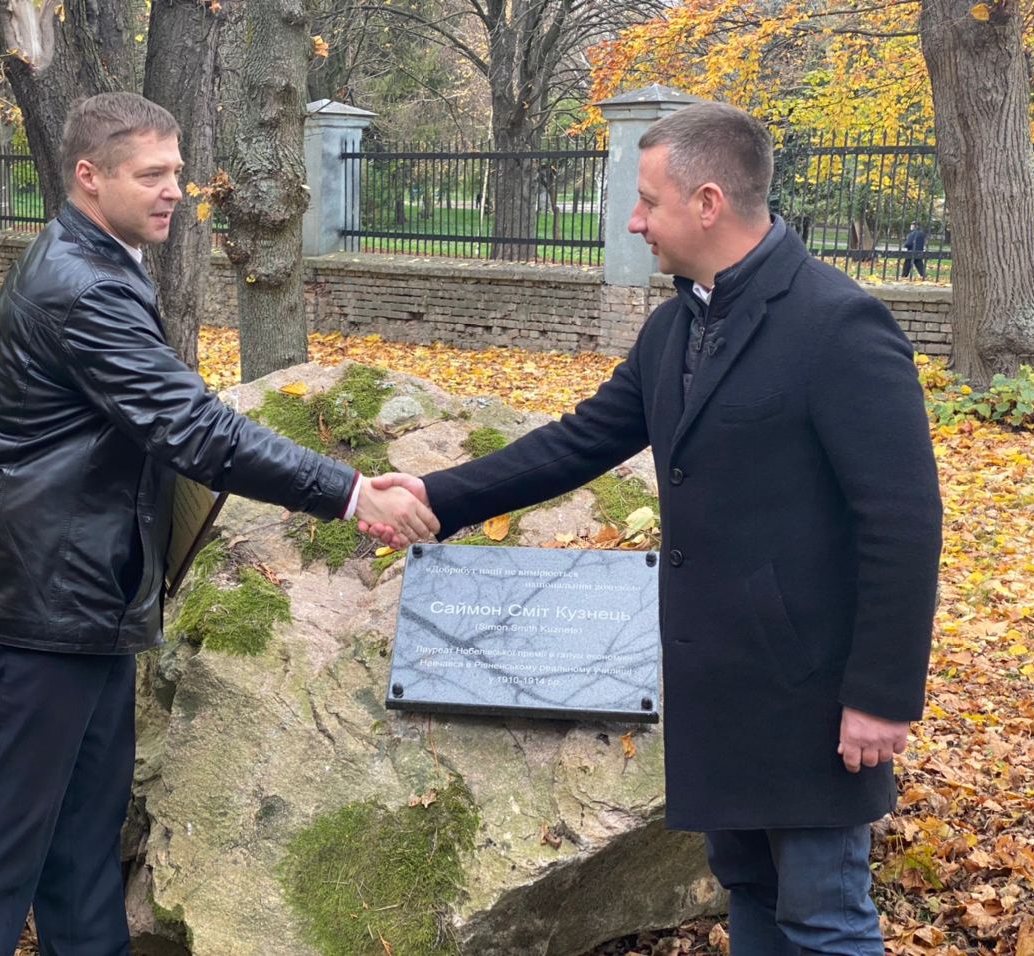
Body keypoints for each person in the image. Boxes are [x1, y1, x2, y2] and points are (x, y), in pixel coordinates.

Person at [364, 102, 942, 955]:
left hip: (811, 693)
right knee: (751, 894)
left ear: (708, 203)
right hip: (718, 682)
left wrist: (882, 696)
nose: (634, 221)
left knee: (824, 917)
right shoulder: (676, 326)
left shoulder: (837, 323)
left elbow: (903, 522)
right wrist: (437, 494)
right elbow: (580, 441)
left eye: (647, 201)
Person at [0, 92, 437, 955]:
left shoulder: (103, 260)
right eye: (151, 175)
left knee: (82, 838)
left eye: (178, 173)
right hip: (38, 607)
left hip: (82, 596)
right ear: (89, 176)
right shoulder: (81, 286)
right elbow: (194, 429)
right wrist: (351, 494)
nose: (173, 191)